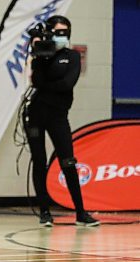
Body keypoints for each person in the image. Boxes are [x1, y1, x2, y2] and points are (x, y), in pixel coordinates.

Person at [26, 15, 99, 227]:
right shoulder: (41, 56)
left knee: (68, 160)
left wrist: (47, 84)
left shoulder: (73, 56)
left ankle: (81, 212)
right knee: (38, 161)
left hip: (58, 116)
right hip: (36, 115)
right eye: (57, 32)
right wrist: (41, 56)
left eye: (64, 33)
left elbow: (67, 84)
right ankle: (45, 213)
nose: (61, 37)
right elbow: (37, 80)